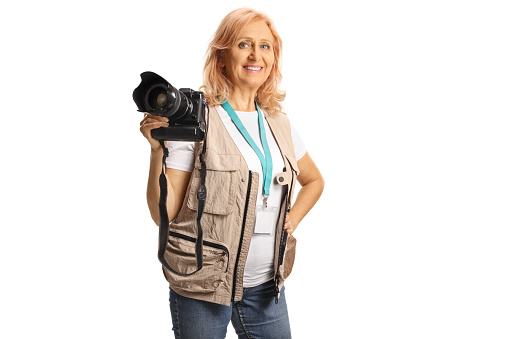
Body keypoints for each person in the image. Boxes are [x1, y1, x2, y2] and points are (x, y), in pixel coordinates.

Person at [139, 8, 324, 339]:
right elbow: (162, 215)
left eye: (265, 46)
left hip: (267, 287)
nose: (256, 55)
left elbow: (315, 180)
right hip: (202, 286)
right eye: (244, 44)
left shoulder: (279, 123)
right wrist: (157, 152)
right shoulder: (197, 122)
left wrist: (293, 219)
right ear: (222, 58)